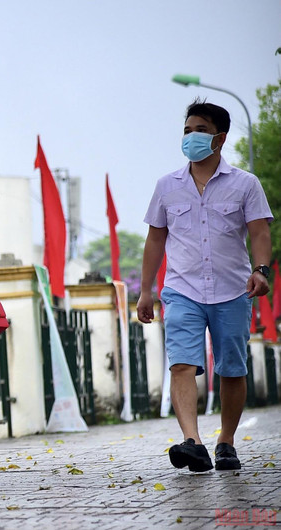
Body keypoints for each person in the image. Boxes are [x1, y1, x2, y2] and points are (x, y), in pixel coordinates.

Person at [137, 100, 273, 472]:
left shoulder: (246, 184)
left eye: (199, 130)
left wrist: (261, 270)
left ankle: (226, 441)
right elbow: (154, 240)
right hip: (181, 290)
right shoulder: (167, 186)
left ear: (220, 138)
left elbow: (260, 231)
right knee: (182, 364)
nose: (191, 137)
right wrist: (146, 290)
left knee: (231, 367)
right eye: (187, 130)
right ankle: (192, 441)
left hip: (233, 290)